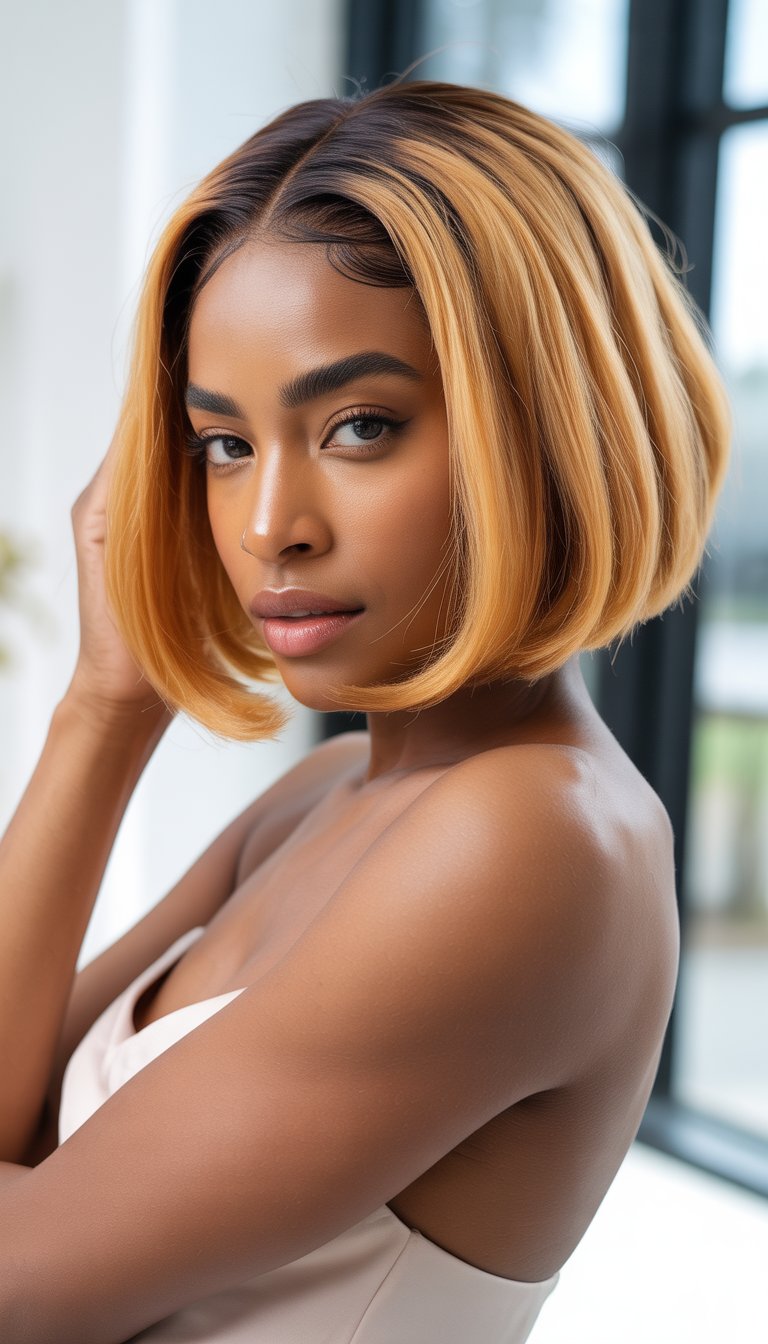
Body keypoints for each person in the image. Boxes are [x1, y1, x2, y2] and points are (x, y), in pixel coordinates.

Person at [0, 79, 730, 1342]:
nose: (271, 523)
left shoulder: (534, 843)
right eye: (223, 444)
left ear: (546, 429)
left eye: (359, 425)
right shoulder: (320, 798)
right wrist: (106, 707)